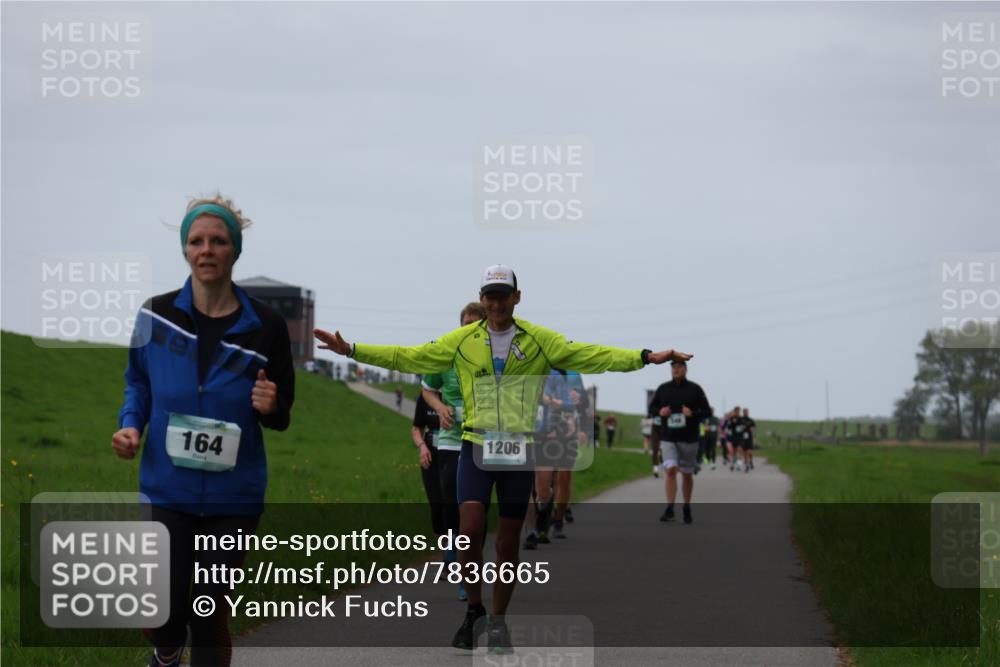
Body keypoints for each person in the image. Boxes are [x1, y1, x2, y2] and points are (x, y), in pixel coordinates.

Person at [313, 264, 690, 653]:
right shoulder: (462, 340)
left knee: (508, 544)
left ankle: (497, 621)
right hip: (475, 446)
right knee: (469, 530)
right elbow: (410, 356)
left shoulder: (538, 340)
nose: (496, 304)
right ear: (482, 299)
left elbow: (592, 355)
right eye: (490, 297)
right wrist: (351, 350)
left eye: (503, 296)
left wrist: (645, 356)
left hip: (517, 450)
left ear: (516, 297)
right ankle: (473, 609)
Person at [112, 195, 295, 667]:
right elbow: (138, 382)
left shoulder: (267, 326)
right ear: (185, 249)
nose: (207, 250)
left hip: (234, 497)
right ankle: (167, 650)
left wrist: (272, 405)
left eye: (218, 241)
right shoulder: (154, 315)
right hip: (165, 488)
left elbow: (282, 413)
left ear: (235, 250)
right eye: (196, 241)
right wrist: (130, 427)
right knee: (163, 610)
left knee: (207, 607)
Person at [419, 302, 487, 600]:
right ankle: (453, 552)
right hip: (449, 440)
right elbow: (427, 389)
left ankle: (468, 572)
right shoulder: (446, 354)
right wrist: (439, 407)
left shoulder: (494, 357)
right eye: (465, 324)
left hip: (483, 440)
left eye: (474, 324)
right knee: (449, 500)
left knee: (474, 509)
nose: (468, 329)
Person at [648, 360, 710, 524]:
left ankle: (687, 506)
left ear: (685, 369)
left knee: (687, 474)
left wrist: (692, 413)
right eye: (673, 367)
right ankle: (670, 508)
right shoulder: (663, 388)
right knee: (670, 470)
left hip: (689, 439)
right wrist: (660, 411)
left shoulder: (695, 389)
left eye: (679, 367)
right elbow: (651, 409)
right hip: (668, 437)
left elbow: (706, 412)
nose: (676, 370)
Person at [740, 407, 757, 471]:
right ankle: (746, 464)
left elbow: (754, 427)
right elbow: (737, 427)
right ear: (743, 412)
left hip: (749, 437)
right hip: (743, 437)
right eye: (745, 412)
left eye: (747, 412)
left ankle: (751, 461)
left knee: (749, 451)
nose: (746, 413)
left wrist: (752, 429)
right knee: (745, 451)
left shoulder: (751, 420)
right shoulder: (740, 420)